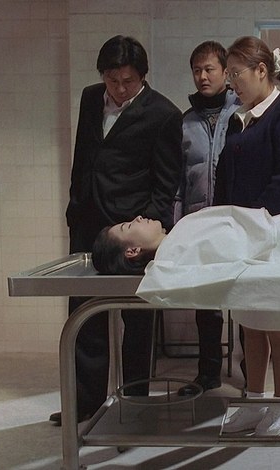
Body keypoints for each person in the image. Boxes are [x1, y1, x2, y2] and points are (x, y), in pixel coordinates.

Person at [58, 35, 183, 425]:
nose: (120, 88)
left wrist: (150, 237)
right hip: (88, 223)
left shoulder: (163, 113)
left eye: (128, 80)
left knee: (138, 321)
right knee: (84, 314)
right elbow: (84, 156)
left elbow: (166, 183)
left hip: (132, 231)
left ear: (142, 76)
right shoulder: (90, 98)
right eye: (112, 80)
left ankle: (135, 405)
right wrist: (75, 206)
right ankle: (86, 403)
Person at [213, 36, 280, 436]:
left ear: (261, 71)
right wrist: (222, 221)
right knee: (251, 322)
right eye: (229, 75)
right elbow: (225, 177)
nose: (231, 83)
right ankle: (254, 401)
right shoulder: (241, 118)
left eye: (236, 74)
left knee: (278, 323)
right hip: (243, 238)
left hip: (278, 238)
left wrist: (250, 224)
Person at [173, 41, 240, 397]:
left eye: (209, 69)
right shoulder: (185, 122)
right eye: (197, 70)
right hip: (199, 223)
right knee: (206, 305)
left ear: (226, 72)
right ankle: (208, 374)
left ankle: (251, 373)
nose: (202, 76)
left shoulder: (242, 113)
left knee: (245, 298)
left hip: (237, 222)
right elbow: (178, 181)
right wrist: (177, 225)